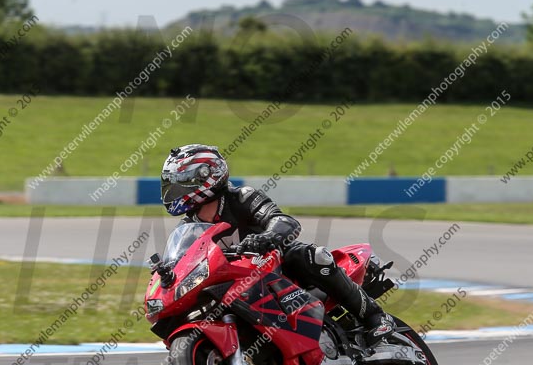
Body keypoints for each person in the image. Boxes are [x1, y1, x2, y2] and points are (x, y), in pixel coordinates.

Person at [159, 144, 395, 347]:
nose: (176, 192)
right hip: (237, 282)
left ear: (206, 177)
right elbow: (185, 260)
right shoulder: (189, 225)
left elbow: (283, 220)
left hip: (275, 265)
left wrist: (267, 237)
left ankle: (375, 317)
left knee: (313, 256)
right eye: (174, 186)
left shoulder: (241, 197)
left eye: (182, 185)